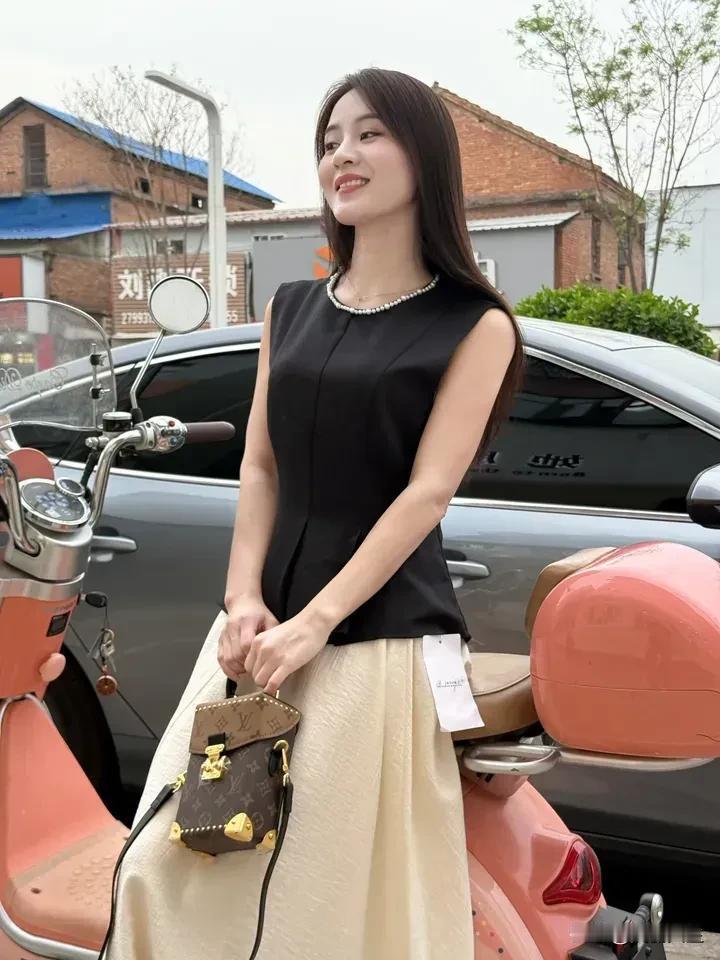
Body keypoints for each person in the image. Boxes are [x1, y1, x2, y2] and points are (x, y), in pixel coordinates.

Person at [106, 67, 523, 960]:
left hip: (372, 644)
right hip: (258, 640)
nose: (343, 155)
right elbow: (261, 462)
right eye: (331, 140)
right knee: (173, 863)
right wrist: (242, 599)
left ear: (424, 155)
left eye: (370, 134)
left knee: (320, 899)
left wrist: (317, 622)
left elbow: (427, 493)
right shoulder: (290, 308)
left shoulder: (476, 324)